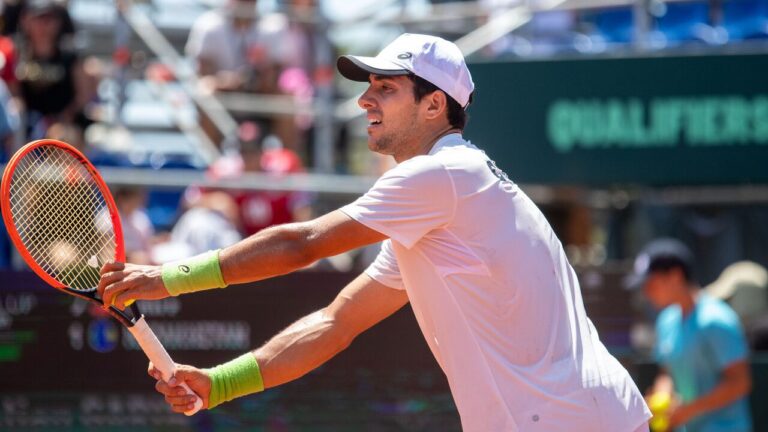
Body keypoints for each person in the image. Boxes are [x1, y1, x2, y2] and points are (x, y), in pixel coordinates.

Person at [98, 33, 651, 431]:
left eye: (385, 88)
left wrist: (164, 278)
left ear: (434, 105)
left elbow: (301, 245)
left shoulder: (440, 175)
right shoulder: (439, 204)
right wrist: (220, 384)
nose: (364, 99)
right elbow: (336, 323)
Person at [632, 238, 752, 431]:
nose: (647, 293)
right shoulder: (666, 320)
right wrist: (662, 396)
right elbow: (667, 372)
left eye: (651, 284)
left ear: (675, 276)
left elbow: (739, 382)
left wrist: (688, 411)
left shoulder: (717, 320)